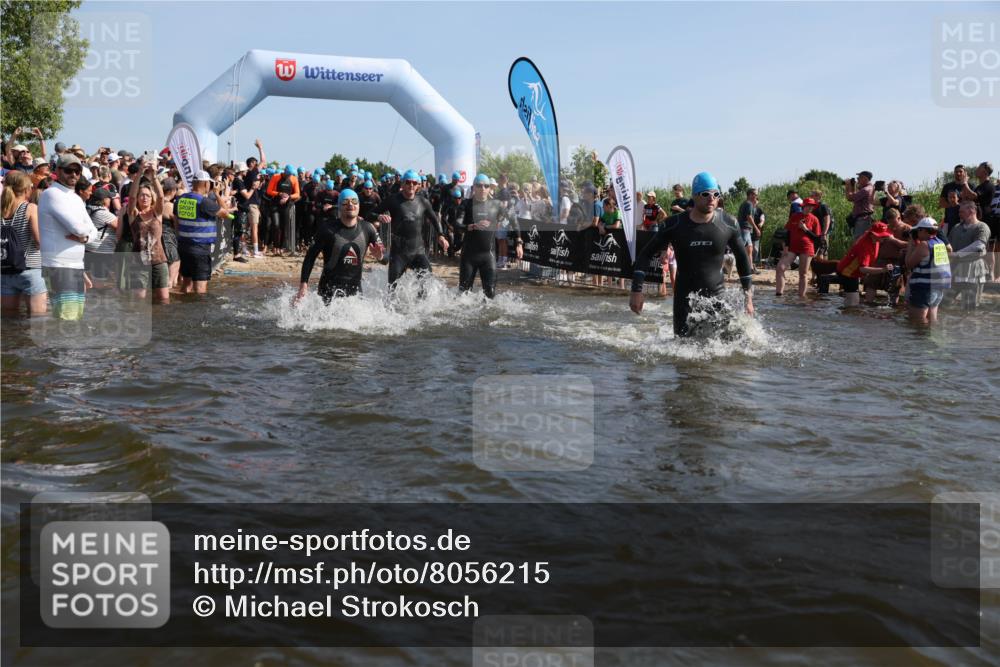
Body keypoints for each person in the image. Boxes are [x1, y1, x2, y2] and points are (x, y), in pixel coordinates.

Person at [629, 172, 753, 338]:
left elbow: (743, 259)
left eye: (716, 194)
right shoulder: (674, 224)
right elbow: (645, 255)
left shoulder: (728, 223)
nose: (711, 198)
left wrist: (748, 298)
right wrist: (636, 290)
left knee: (727, 353)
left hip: (717, 299)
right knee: (683, 356)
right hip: (685, 301)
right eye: (705, 194)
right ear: (694, 196)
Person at [295, 188, 384, 304]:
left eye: (354, 201)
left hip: (355, 293)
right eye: (345, 202)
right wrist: (303, 285)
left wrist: (380, 256)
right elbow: (310, 257)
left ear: (359, 206)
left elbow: (386, 258)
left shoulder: (368, 229)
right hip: (328, 291)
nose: (350, 204)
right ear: (339, 206)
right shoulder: (327, 229)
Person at [37, 154, 92, 320]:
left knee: (75, 318)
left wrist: (85, 238)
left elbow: (92, 231)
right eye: (69, 170)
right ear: (58, 171)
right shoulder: (51, 194)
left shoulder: (75, 198)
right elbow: (78, 228)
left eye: (77, 171)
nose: (74, 174)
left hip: (75, 265)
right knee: (66, 320)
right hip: (59, 265)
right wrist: (84, 234)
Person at [451, 174, 522, 298]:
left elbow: (513, 219)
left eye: (486, 186)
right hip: (469, 257)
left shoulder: (496, 204)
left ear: (490, 188)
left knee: (490, 295)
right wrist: (472, 226)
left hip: (488, 256)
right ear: (474, 187)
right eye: (479, 185)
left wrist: (519, 243)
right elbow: (456, 224)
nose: (483, 188)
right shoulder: (466, 204)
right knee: (463, 296)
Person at [375, 169, 449, 288]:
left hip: (418, 251)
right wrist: (379, 216)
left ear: (418, 185)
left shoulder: (423, 202)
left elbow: (435, 219)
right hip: (399, 253)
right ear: (403, 183)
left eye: (414, 183)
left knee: (426, 284)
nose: (411, 185)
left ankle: (419, 305)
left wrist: (441, 235)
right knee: (392, 290)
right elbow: (370, 214)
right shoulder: (393, 200)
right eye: (408, 182)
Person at [816, 222, 895, 307]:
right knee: (853, 303)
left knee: (853, 302)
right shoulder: (864, 246)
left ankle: (827, 279)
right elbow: (863, 269)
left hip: (852, 271)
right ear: (873, 234)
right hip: (848, 272)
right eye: (882, 236)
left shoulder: (872, 238)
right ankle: (843, 318)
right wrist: (883, 270)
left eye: (885, 235)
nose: (884, 237)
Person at [1, 171, 46, 315]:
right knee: (38, 320)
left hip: (5, 271)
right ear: (27, 189)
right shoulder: (30, 208)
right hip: (30, 269)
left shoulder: (1, 211)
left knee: (9, 319)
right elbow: (39, 241)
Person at [175, 170, 225, 294]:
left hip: (183, 247)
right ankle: (199, 312)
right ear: (205, 184)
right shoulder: (205, 202)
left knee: (186, 284)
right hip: (200, 250)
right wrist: (217, 194)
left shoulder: (180, 199)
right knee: (200, 289)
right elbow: (225, 212)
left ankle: (183, 309)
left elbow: (176, 223)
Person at [946, 200, 990, 311]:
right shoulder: (956, 227)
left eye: (961, 211)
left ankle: (969, 328)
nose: (959, 214)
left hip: (973, 270)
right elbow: (948, 246)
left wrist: (957, 255)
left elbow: (979, 245)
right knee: (943, 303)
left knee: (969, 308)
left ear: (971, 211)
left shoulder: (981, 226)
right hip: (955, 270)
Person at [905, 217, 951, 325]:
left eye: (918, 230)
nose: (917, 233)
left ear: (923, 230)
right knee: (931, 322)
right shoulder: (940, 244)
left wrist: (911, 244)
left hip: (924, 289)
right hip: (938, 289)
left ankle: (920, 342)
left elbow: (909, 264)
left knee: (917, 324)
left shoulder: (924, 245)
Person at [776, 197, 822, 298]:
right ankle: (779, 294)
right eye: (808, 206)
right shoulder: (795, 216)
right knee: (780, 267)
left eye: (812, 206)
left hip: (806, 248)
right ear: (803, 206)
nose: (809, 208)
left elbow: (817, 238)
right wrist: (786, 247)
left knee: (803, 274)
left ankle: (801, 298)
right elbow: (788, 233)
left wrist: (805, 229)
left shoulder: (815, 219)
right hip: (792, 248)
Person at [84, 187, 118, 283]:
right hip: (101, 250)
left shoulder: (88, 208)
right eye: (109, 198)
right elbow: (119, 227)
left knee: (89, 278)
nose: (110, 200)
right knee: (101, 281)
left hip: (88, 247)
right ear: (104, 200)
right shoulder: (103, 213)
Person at [266, 165, 300, 256]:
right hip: (275, 204)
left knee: (284, 226)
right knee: (276, 225)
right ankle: (275, 246)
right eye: (287, 174)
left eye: (290, 175)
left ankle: (280, 247)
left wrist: (288, 197)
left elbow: (297, 194)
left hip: (286, 205)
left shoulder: (294, 179)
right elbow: (269, 191)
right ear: (284, 171)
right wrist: (279, 194)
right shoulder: (276, 177)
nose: (289, 176)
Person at [845, 171, 876, 239]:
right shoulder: (869, 188)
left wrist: (847, 186)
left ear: (865, 179)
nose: (857, 179)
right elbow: (855, 197)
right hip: (863, 219)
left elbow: (850, 198)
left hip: (863, 220)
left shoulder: (865, 190)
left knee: (859, 240)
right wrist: (853, 186)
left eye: (859, 177)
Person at [737, 189, 760, 265]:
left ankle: (750, 268)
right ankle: (727, 264)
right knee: (740, 249)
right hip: (745, 229)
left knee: (749, 249)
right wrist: (756, 228)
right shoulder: (748, 204)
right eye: (755, 195)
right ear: (750, 195)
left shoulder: (746, 204)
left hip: (746, 229)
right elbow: (749, 217)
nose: (756, 196)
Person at [810, 190, 831, 259]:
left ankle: (824, 268)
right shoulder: (814, 207)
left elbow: (827, 220)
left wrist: (824, 233)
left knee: (822, 252)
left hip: (822, 232)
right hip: (815, 233)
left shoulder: (823, 206)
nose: (811, 197)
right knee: (816, 252)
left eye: (812, 195)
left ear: (818, 196)